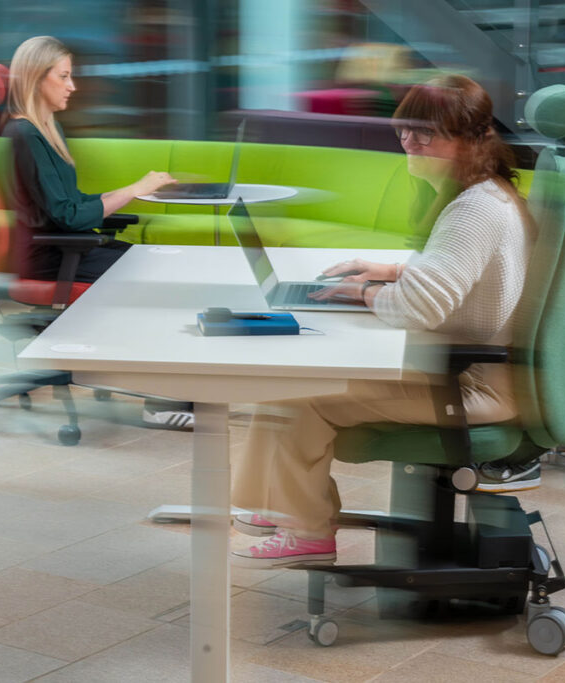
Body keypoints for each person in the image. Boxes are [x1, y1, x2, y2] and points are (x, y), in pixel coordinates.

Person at [229, 74, 537, 568]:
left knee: (295, 395)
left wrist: (366, 291)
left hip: (470, 388)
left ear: (466, 139)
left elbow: (421, 307)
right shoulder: (486, 193)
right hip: (465, 372)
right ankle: (276, 507)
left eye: (425, 134)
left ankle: (306, 530)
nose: (408, 142)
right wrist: (393, 271)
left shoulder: (475, 210)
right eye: (404, 130)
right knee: (292, 383)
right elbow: (463, 275)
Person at [3, 35, 192, 429]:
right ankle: (160, 398)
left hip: (64, 247)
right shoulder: (26, 136)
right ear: (39, 79)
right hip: (53, 257)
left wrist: (131, 192)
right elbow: (68, 215)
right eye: (64, 76)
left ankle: (168, 383)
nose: (73, 86)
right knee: (159, 277)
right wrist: (133, 190)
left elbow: (68, 204)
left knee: (163, 266)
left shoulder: (44, 132)